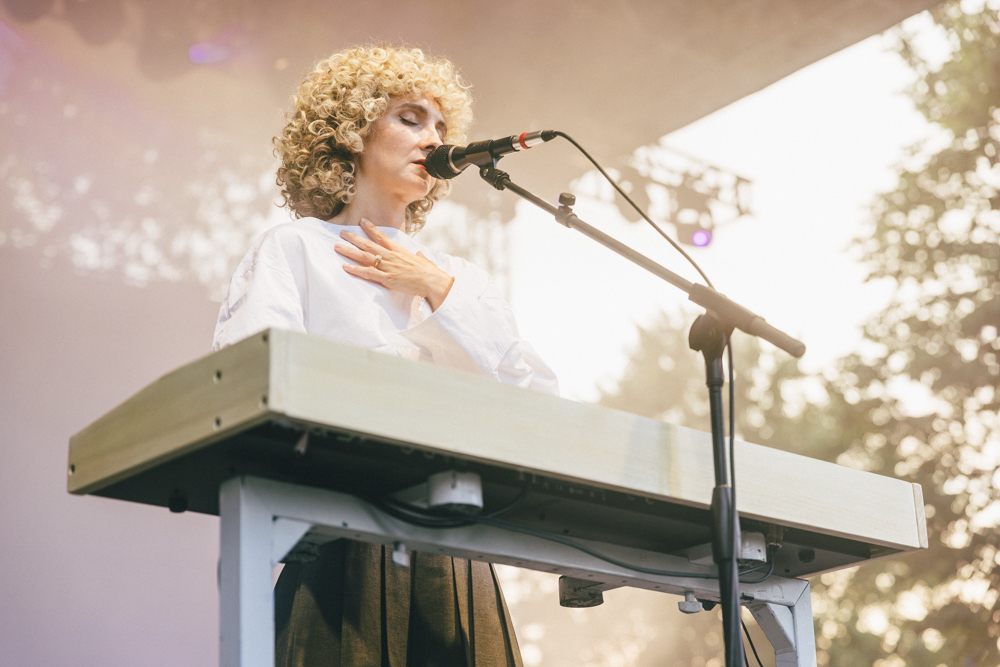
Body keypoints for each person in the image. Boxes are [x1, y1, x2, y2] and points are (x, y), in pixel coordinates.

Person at [212, 45, 558, 667]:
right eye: (410, 118)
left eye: (441, 126)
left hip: (456, 554)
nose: (435, 138)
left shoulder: (460, 278)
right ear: (351, 133)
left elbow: (535, 403)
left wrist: (437, 290)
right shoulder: (295, 249)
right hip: (334, 536)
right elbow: (248, 386)